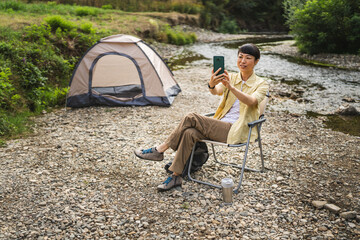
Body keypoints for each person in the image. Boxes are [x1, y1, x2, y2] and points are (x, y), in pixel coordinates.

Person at [134, 43, 269, 191]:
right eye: (240, 57)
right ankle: (176, 176)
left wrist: (231, 88)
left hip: (239, 129)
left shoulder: (262, 84)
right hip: (221, 125)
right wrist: (212, 83)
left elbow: (252, 101)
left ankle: (160, 150)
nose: (242, 61)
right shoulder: (231, 77)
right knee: (189, 132)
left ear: (256, 61)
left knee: (191, 117)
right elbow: (216, 91)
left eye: (248, 58)